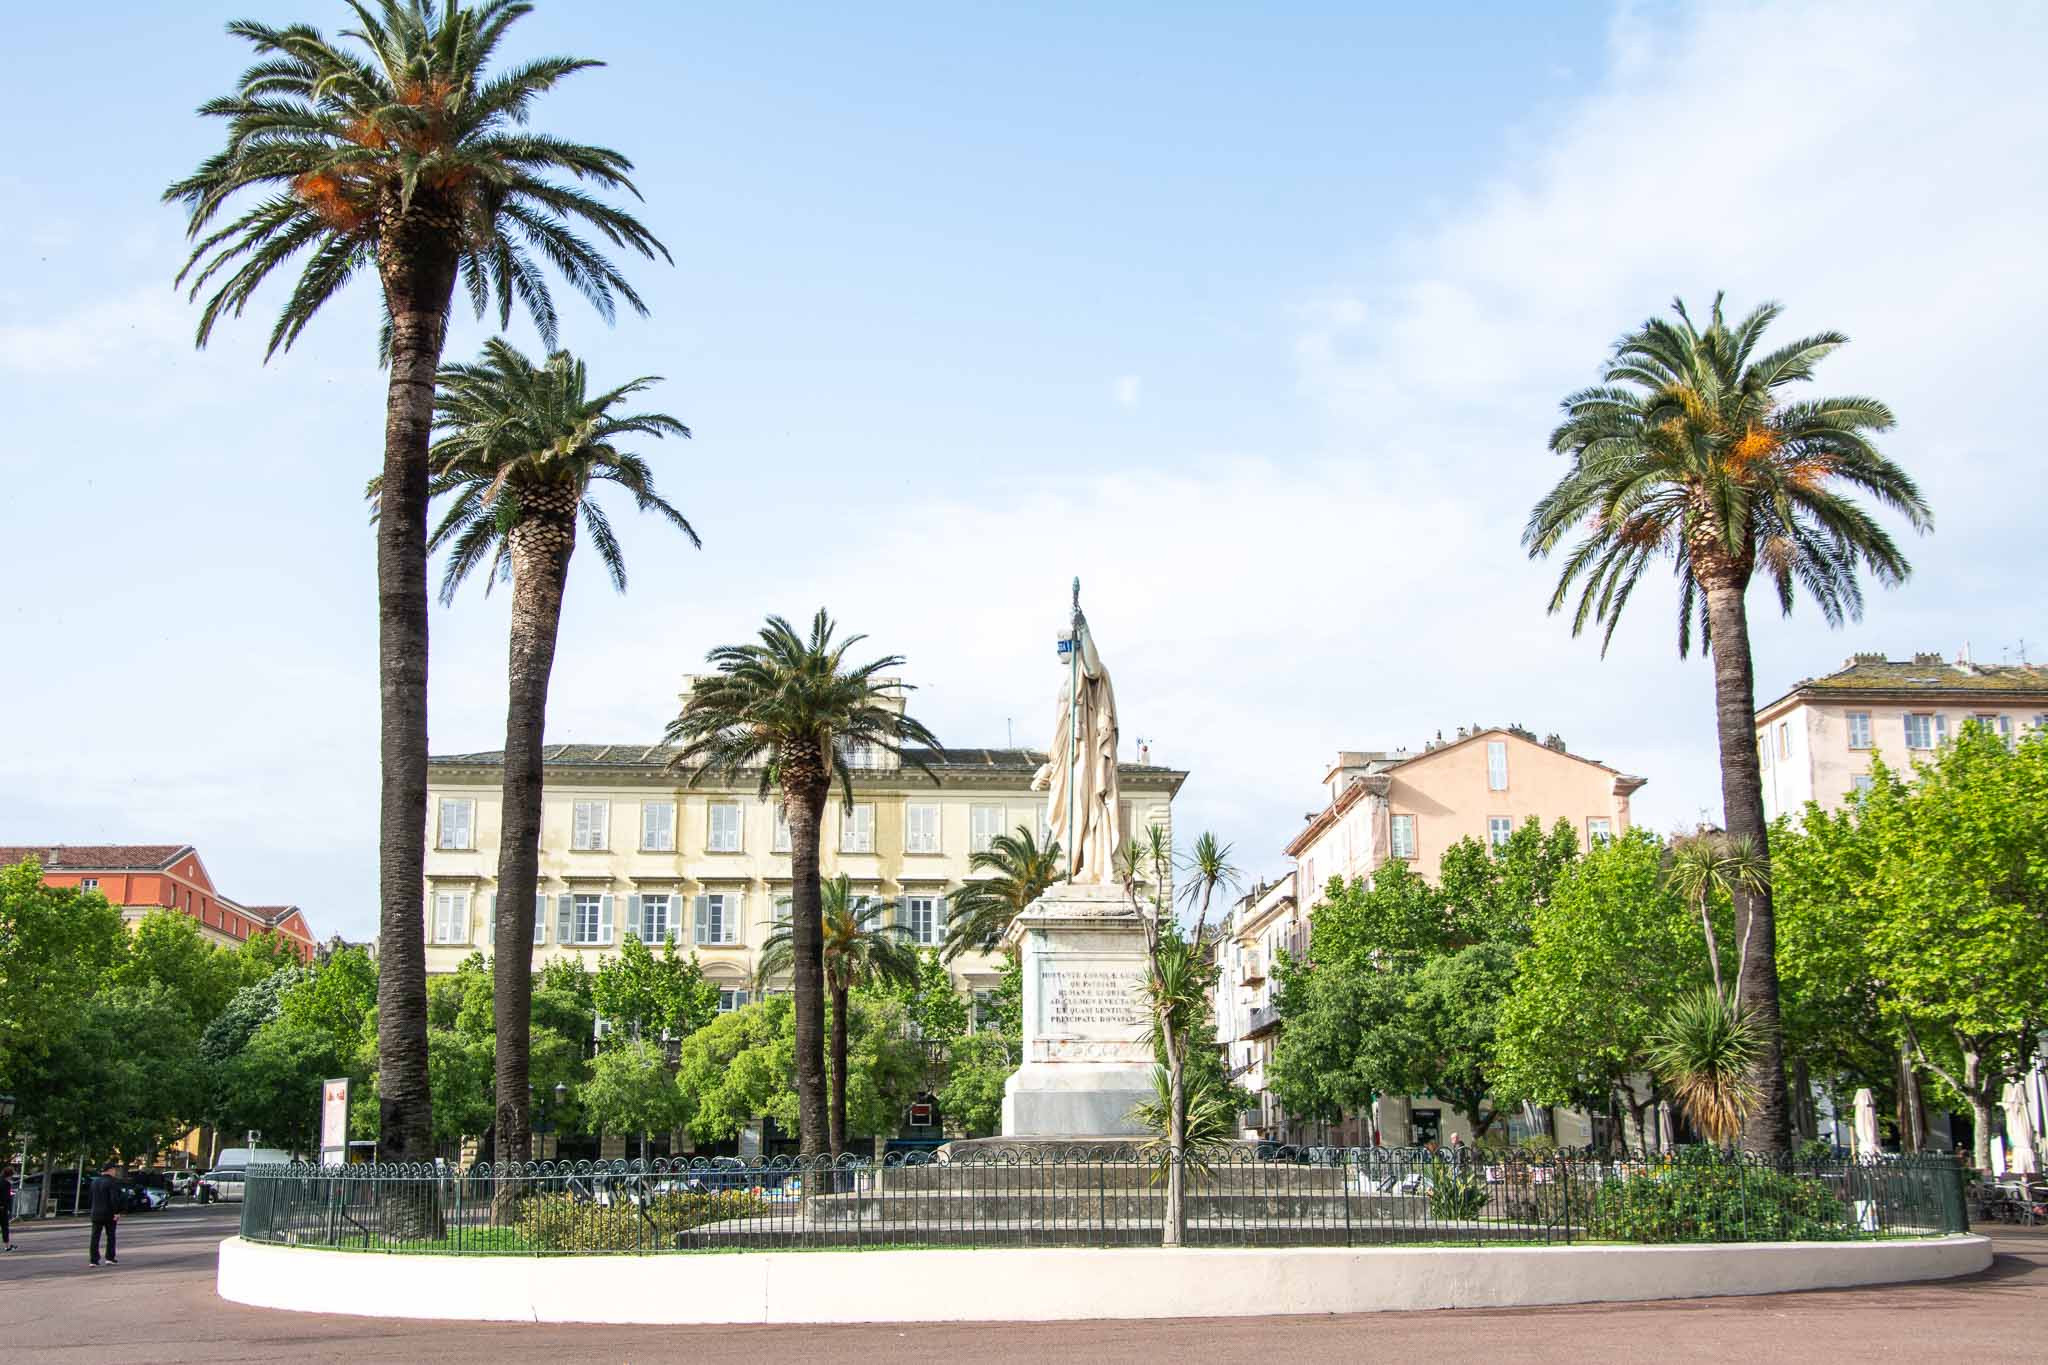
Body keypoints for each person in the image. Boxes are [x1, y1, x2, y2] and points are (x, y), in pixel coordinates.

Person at [88, 1163, 124, 1266]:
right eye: (114, 1170)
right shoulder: (112, 1182)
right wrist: (117, 1212)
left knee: (95, 1237)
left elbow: (90, 1198)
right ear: (110, 1170)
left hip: (95, 1212)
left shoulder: (94, 1182)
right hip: (108, 1213)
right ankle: (109, 1257)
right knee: (111, 1236)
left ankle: (93, 1260)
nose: (115, 1172)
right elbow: (114, 1199)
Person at [2, 1161, 16, 1251]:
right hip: (2, 1208)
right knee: (4, 1227)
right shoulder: (7, 1183)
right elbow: (7, 1197)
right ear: (9, 1175)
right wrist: (9, 1209)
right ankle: (7, 1246)